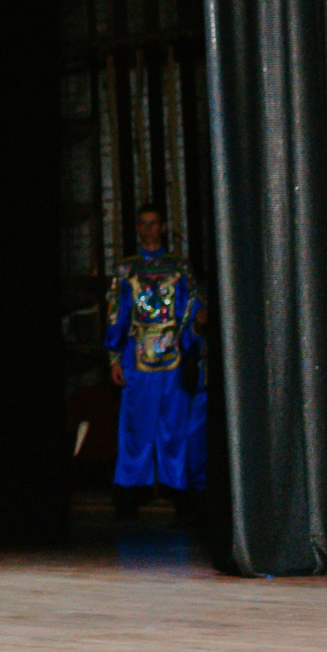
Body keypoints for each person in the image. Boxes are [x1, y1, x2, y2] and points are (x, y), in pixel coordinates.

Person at [106, 201, 203, 516]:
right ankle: (131, 493)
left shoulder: (179, 267)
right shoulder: (125, 269)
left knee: (175, 426)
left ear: (163, 227)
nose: (148, 229)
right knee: (137, 426)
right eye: (143, 223)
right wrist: (113, 356)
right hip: (137, 356)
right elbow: (116, 314)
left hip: (172, 354)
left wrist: (194, 335)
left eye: (154, 223)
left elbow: (192, 308)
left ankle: (180, 493)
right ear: (137, 228)